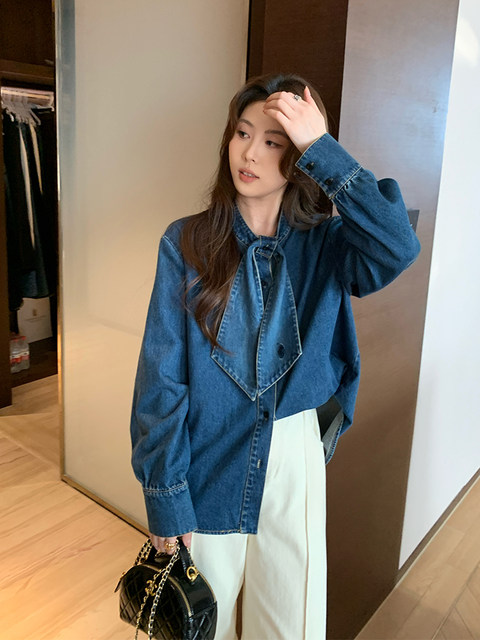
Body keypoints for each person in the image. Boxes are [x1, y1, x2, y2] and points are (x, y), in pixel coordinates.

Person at [130, 72, 420, 639]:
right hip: (206, 452)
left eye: (274, 142)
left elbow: (397, 245)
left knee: (290, 626)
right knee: (198, 625)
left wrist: (323, 150)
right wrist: (165, 495)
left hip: (293, 453)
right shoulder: (185, 242)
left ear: (301, 156)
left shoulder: (329, 246)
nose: (249, 154)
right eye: (242, 133)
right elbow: (161, 378)